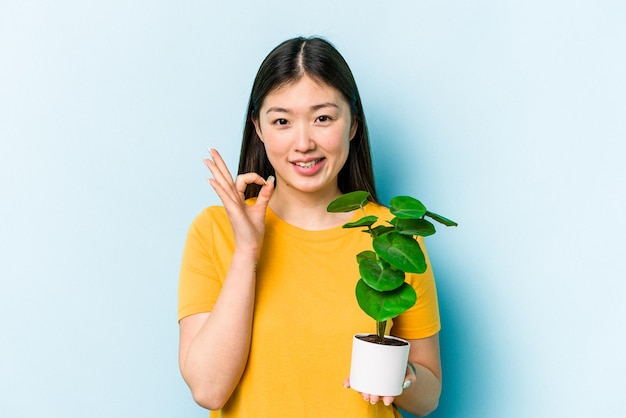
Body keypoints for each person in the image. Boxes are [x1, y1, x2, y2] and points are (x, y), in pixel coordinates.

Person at [178, 36, 442, 417]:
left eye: (323, 118)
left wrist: (399, 375)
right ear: (259, 128)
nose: (303, 143)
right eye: (282, 121)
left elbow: (429, 396)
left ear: (353, 124)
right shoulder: (214, 231)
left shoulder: (392, 237)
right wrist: (247, 251)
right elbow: (208, 389)